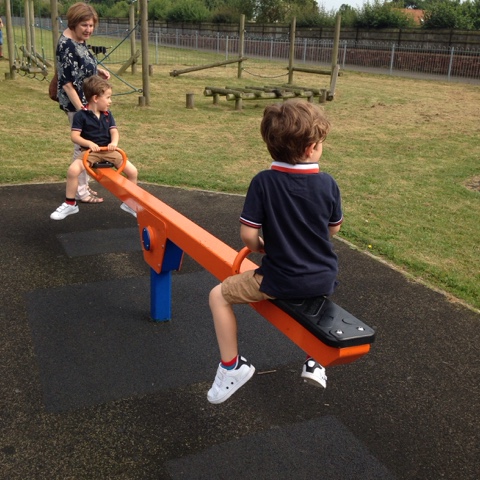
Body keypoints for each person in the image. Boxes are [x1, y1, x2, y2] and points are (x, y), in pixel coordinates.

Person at [207, 100, 343, 404]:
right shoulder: (327, 183)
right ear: (311, 148)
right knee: (312, 300)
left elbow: (248, 235)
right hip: (323, 277)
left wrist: (261, 247)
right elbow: (333, 229)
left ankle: (232, 366)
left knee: (218, 296)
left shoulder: (264, 182)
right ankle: (314, 360)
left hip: (280, 279)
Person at [50, 75, 138, 221]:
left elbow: (114, 131)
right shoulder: (81, 115)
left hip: (109, 151)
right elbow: (75, 136)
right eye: (108, 97)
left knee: (133, 171)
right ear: (96, 98)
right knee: (72, 171)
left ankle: (129, 202)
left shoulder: (108, 114)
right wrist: (89, 143)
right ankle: (70, 204)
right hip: (90, 153)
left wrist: (114, 143)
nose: (110, 101)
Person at [56, 2, 110, 204]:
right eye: (84, 25)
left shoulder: (79, 40)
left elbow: (81, 65)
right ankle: (79, 191)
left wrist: (97, 71)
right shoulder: (66, 45)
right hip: (77, 104)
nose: (88, 30)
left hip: (87, 102)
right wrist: (83, 111)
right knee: (83, 147)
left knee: (88, 146)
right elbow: (67, 84)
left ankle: (82, 185)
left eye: (91, 25)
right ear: (74, 23)